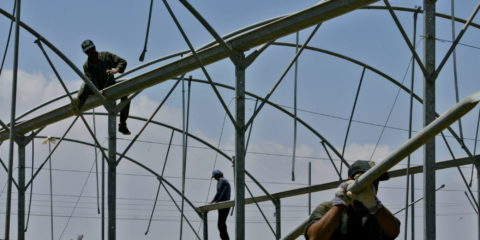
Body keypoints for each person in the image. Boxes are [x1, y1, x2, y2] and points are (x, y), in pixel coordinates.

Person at [304, 160, 400, 240]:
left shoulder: (379, 214)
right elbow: (315, 237)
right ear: (349, 181)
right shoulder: (327, 208)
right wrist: (340, 204)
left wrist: (374, 206)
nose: (371, 187)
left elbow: (393, 232)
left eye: (375, 183)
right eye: (366, 182)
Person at [75, 39, 131, 135]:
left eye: (92, 49)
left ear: (95, 48)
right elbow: (90, 81)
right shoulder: (87, 66)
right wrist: (97, 91)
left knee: (126, 90)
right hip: (96, 90)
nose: (91, 53)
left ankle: (122, 124)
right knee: (84, 85)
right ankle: (78, 105)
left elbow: (122, 61)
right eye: (88, 51)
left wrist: (116, 70)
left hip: (110, 87)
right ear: (85, 53)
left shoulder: (106, 56)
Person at [209, 169, 231, 240]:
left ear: (217, 175)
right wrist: (215, 201)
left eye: (215, 176)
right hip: (225, 204)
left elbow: (219, 193)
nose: (215, 178)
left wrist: (213, 202)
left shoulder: (221, 180)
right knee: (222, 223)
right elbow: (220, 193)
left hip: (223, 204)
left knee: (220, 224)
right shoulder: (223, 180)